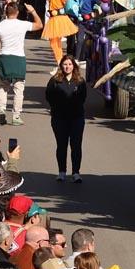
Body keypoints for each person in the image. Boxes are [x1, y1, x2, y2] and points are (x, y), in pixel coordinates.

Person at [0, 2, 42, 126]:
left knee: (3, 86)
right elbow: (39, 25)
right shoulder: (22, 24)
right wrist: (33, 11)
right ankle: (16, 115)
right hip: (18, 58)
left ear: (5, 12)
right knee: (19, 88)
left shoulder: (0, 26)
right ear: (17, 12)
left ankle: (2, 110)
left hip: (4, 57)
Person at [45, 53, 87, 182]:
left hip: (76, 118)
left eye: (69, 64)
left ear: (74, 66)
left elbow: (83, 98)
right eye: (65, 64)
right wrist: (58, 107)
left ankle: (76, 173)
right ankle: (62, 172)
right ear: (61, 66)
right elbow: (49, 96)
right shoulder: (54, 81)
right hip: (59, 118)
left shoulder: (80, 81)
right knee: (61, 145)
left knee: (76, 145)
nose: (67, 67)